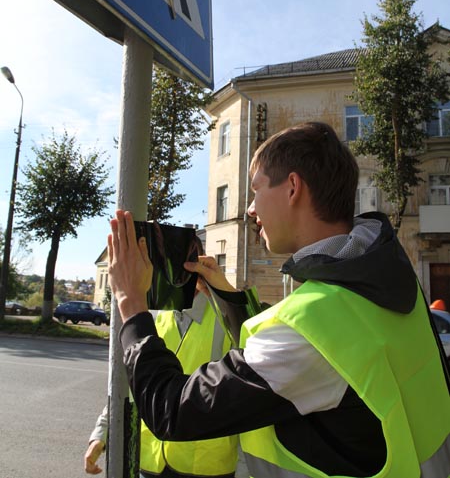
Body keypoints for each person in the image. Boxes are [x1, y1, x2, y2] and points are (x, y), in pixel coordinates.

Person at [108, 122, 450, 478]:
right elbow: (279, 366)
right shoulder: (384, 275)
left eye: (255, 191)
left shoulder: (316, 325)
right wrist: (226, 295)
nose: (251, 209)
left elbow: (172, 410)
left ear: (292, 188)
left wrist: (131, 305)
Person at [85, 277, 249, 477]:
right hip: (149, 461)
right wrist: (102, 432)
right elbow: (131, 382)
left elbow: (245, 403)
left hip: (205, 465)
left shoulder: (226, 320)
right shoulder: (150, 318)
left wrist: (245, 471)